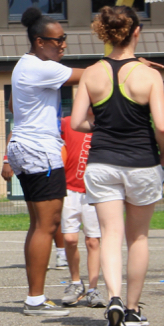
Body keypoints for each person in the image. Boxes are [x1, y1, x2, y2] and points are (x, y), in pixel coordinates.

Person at [69, 5, 164, 326]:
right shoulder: (149, 75)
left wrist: (104, 127)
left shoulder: (91, 73)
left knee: (110, 236)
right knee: (138, 237)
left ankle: (113, 297)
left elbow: (77, 122)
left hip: (101, 163)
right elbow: (162, 126)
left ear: (105, 33)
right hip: (142, 163)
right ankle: (131, 309)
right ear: (136, 32)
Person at [8, 7, 87, 317]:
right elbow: (92, 75)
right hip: (40, 150)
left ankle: (35, 297)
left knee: (38, 225)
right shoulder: (42, 67)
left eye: (65, 39)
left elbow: (13, 104)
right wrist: (128, 65)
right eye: (58, 40)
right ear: (40, 42)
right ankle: (35, 300)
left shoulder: (24, 66)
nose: (63, 45)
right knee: (47, 225)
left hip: (25, 147)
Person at [58, 112, 104, 308]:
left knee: (93, 241)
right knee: (70, 239)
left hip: (95, 190)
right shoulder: (68, 123)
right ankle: (76, 282)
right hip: (70, 189)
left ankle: (93, 289)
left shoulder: (105, 123)